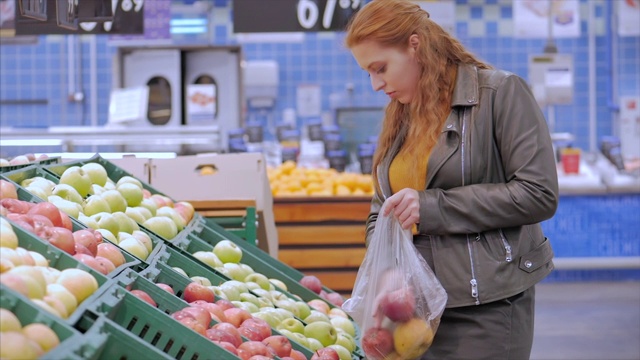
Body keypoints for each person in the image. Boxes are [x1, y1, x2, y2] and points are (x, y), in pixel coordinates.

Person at [344, 0, 559, 359]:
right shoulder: (401, 116)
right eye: (368, 73)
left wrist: (430, 207)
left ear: (414, 45)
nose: (375, 85)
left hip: (486, 309)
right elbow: (382, 208)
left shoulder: (499, 95)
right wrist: (387, 270)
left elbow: (537, 193)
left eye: (380, 68)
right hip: (415, 315)